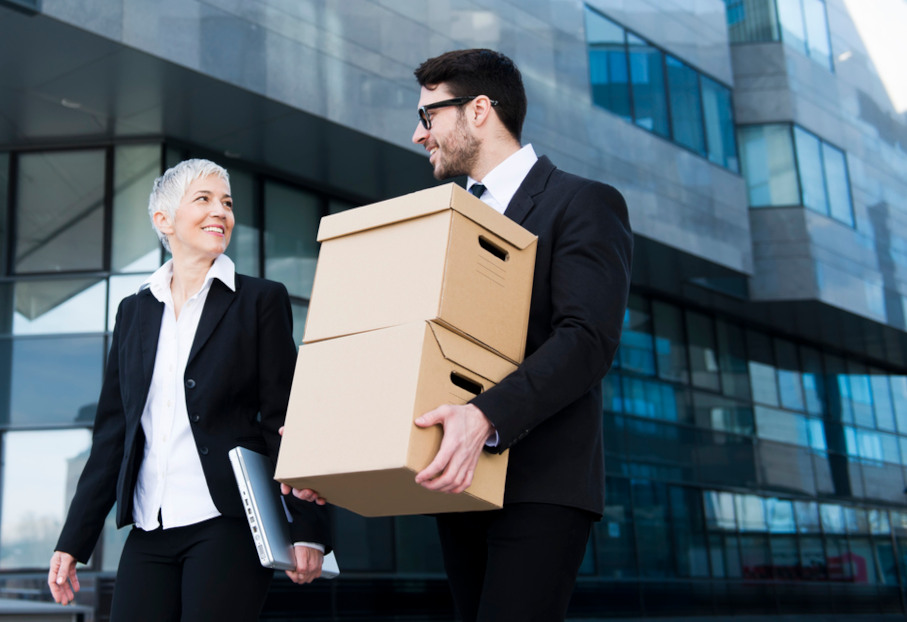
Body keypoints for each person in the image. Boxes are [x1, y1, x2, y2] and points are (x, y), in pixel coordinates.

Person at [288, 49, 632, 621]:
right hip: (458, 485)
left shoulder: (583, 202)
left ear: (478, 111)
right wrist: (333, 449)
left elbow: (587, 340)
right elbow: (415, 348)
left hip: (538, 484)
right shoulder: (442, 220)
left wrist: (486, 416)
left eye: (428, 116)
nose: (418, 134)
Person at [47, 159, 331, 621]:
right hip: (149, 526)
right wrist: (73, 540)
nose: (220, 211)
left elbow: (287, 418)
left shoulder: (260, 300)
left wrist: (310, 530)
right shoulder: (134, 312)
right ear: (164, 220)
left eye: (227, 203)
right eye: (204, 199)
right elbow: (113, 434)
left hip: (227, 524)